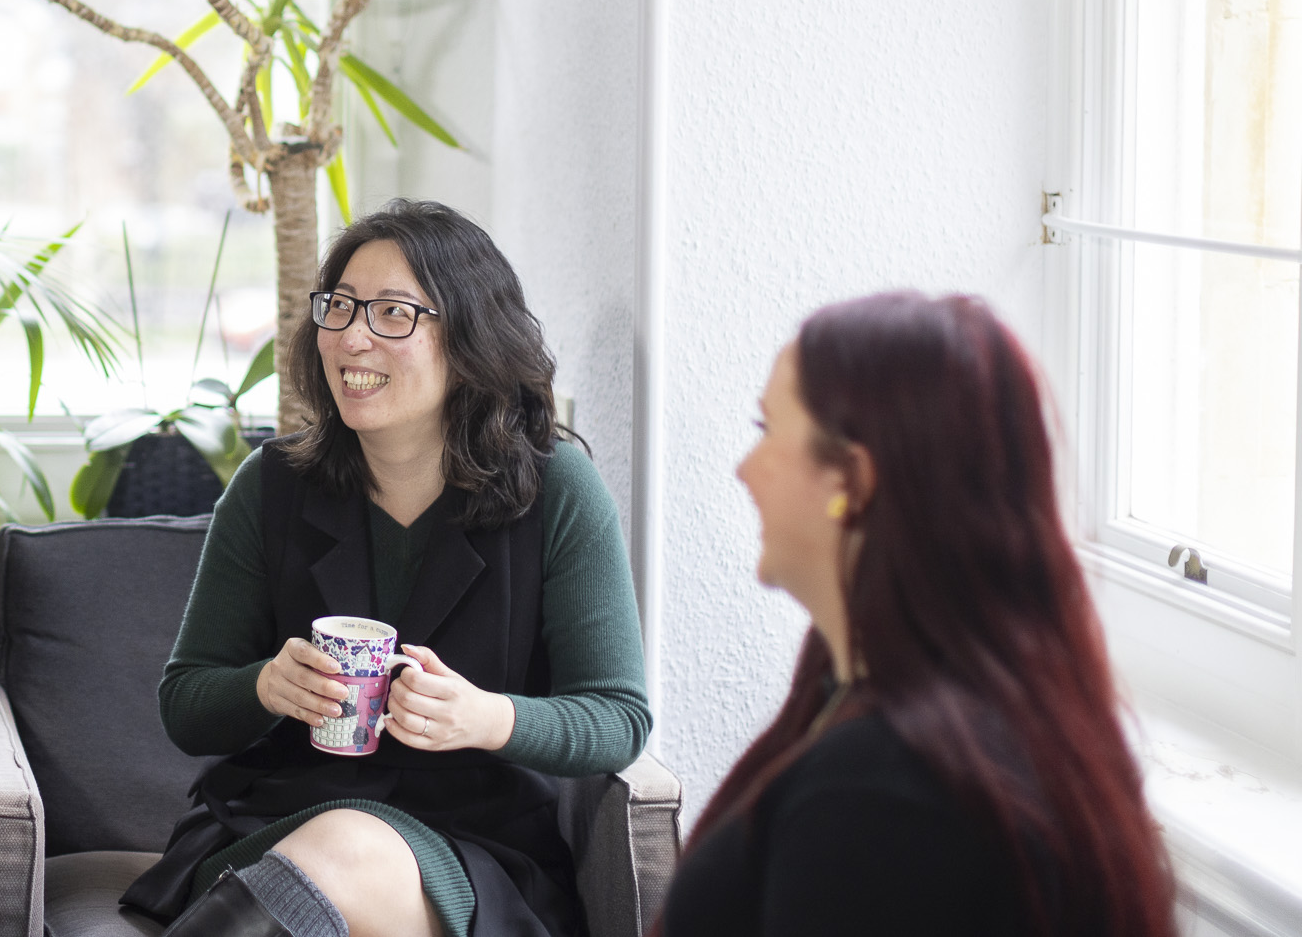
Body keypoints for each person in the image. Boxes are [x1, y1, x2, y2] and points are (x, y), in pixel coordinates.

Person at [121, 199, 652, 937]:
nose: (352, 338)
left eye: (393, 314)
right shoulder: (271, 484)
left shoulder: (557, 487)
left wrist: (487, 717)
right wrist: (267, 686)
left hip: (475, 842)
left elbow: (617, 716)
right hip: (279, 820)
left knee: (352, 848)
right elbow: (186, 704)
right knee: (336, 842)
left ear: (469, 339)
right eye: (339, 308)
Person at [661, 292, 1174, 937]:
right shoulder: (871, 698)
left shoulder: (886, 798)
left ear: (850, 481)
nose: (743, 469)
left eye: (766, 431)